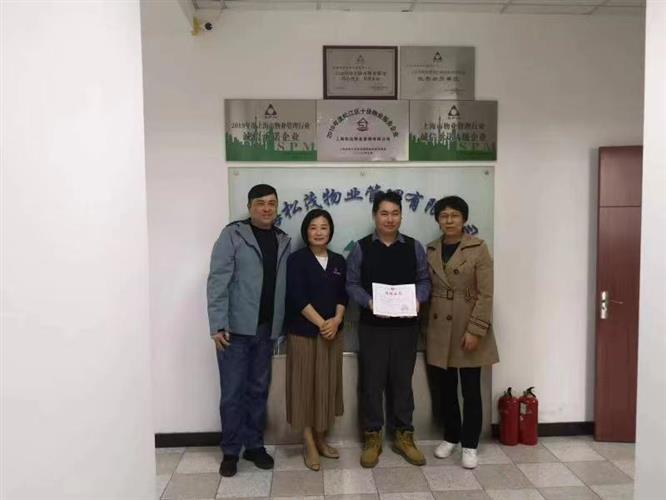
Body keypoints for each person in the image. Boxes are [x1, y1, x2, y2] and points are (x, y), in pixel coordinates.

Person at [206, 184, 291, 477]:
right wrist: (218, 324)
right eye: (260, 203)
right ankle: (231, 451)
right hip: (234, 331)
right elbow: (218, 280)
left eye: (271, 203)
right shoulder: (233, 235)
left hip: (266, 331)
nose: (266, 208)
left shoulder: (282, 239)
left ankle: (254, 445)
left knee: (258, 390)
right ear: (249, 207)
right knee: (232, 393)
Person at [346, 191, 431, 468]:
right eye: (384, 213)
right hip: (373, 327)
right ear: (375, 216)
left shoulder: (414, 247)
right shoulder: (361, 248)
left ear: (401, 216)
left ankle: (404, 436)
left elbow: (424, 280)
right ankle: (372, 437)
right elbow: (351, 284)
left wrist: (418, 299)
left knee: (402, 382)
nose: (390, 219)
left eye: (395, 213)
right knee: (372, 383)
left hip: (406, 327)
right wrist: (370, 302)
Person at [425, 195, 499, 469]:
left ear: (464, 219)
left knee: (470, 390)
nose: (449, 220)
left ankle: (470, 444)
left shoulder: (478, 248)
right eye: (444, 216)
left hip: (466, 325)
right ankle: (451, 436)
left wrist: (476, 330)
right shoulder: (431, 249)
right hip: (439, 328)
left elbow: (486, 294)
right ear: (437, 220)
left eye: (454, 215)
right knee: (445, 389)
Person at [285, 209, 347, 471]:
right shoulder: (296, 260)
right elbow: (297, 297)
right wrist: (323, 324)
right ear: (305, 231)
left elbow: (343, 296)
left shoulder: (338, 260)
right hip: (304, 333)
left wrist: (337, 320)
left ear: (330, 231)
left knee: (325, 386)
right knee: (304, 388)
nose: (319, 232)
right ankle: (308, 441)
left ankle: (322, 437)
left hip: (332, 335)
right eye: (313, 227)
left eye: (324, 227)